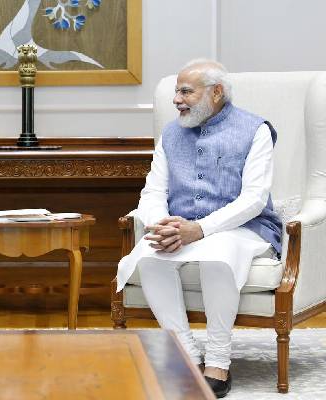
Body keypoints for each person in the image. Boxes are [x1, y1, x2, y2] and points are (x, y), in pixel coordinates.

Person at [116, 59, 281, 398]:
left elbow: (253, 199)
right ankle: (186, 354)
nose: (176, 99)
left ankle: (219, 360)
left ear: (216, 92)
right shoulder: (171, 134)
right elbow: (153, 191)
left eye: (186, 91)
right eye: (176, 91)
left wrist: (200, 229)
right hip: (181, 226)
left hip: (245, 227)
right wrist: (159, 223)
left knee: (217, 256)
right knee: (148, 253)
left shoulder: (256, 130)